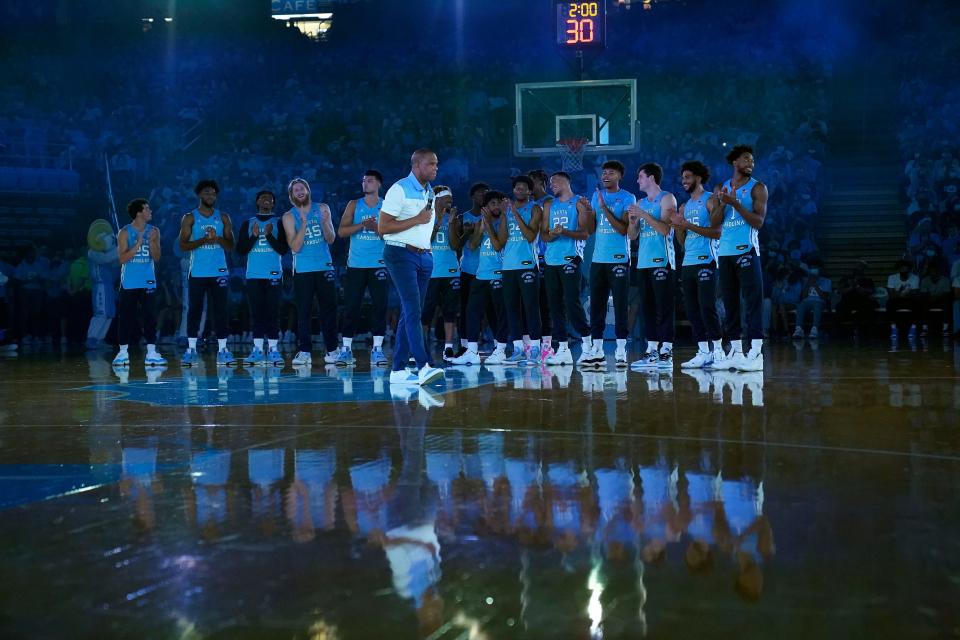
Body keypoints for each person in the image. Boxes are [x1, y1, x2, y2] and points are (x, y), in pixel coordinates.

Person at [377, 148, 445, 386]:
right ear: (416, 165)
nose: (436, 168)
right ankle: (423, 365)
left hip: (424, 256)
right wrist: (416, 219)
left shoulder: (429, 191)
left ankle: (398, 370)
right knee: (413, 310)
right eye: (431, 164)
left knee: (410, 312)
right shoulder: (399, 189)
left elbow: (425, 227)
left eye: (436, 164)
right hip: (400, 253)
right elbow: (382, 227)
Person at [710, 145, 768, 372]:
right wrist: (724, 203)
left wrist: (736, 204)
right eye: (746, 160)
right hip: (725, 253)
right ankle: (735, 351)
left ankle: (756, 353)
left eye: (752, 160)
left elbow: (758, 222)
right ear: (735, 162)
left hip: (746, 250)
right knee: (730, 303)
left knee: (753, 301)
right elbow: (714, 222)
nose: (750, 163)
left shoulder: (758, 188)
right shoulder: (722, 188)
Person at [178, 180, 237, 366]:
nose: (210, 196)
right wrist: (204, 239)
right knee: (194, 310)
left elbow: (230, 246)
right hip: (197, 271)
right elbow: (182, 245)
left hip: (219, 271)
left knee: (221, 310)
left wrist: (217, 238)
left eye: (213, 193)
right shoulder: (190, 217)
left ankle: (223, 349)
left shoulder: (224, 217)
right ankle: (191, 349)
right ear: (199, 195)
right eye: (206, 193)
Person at [283, 177, 340, 367]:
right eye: (295, 190)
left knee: (329, 310)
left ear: (308, 190)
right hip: (303, 270)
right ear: (291, 196)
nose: (299, 192)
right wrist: (304, 224)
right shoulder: (289, 217)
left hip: (324, 267)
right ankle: (305, 351)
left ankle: (332, 350)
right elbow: (295, 247)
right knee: (304, 312)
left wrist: (324, 223)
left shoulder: (323, 208)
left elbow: (331, 239)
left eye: (302, 188)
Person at [671, 161, 723, 368]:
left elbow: (717, 233)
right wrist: (678, 227)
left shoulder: (710, 200)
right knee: (691, 309)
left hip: (707, 261)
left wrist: (687, 225)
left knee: (707, 306)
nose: (684, 181)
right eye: (683, 178)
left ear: (698, 178)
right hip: (688, 262)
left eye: (688, 177)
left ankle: (718, 352)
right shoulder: (684, 206)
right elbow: (683, 241)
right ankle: (703, 352)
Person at [450, 190, 510, 365]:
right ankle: (472, 351)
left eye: (499, 203)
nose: (496, 206)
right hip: (481, 274)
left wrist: (489, 225)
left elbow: (499, 245)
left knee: (499, 314)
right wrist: (480, 228)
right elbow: (473, 245)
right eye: (492, 203)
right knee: (472, 312)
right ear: (485, 207)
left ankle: (500, 350)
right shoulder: (480, 223)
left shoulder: (504, 222)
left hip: (498, 273)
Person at [627, 163, 678, 370]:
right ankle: (652, 350)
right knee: (647, 307)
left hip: (662, 260)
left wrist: (643, 214)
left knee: (663, 306)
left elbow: (666, 230)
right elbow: (632, 236)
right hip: (644, 262)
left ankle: (666, 351)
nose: (638, 180)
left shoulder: (667, 198)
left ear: (651, 178)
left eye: (641, 176)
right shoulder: (640, 202)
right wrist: (632, 222)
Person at [539, 171, 593, 366]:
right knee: (555, 307)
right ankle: (563, 349)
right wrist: (552, 235)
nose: (551, 186)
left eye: (554, 183)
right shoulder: (548, 205)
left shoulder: (579, 203)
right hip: (551, 261)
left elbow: (585, 234)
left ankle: (588, 345)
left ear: (565, 182)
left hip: (571, 259)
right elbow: (544, 236)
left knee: (572, 303)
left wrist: (565, 231)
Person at [338, 170, 389, 367]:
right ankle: (346, 350)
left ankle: (377, 349)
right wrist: (361, 225)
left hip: (379, 264)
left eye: (369, 180)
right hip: (356, 265)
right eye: (363, 181)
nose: (365, 183)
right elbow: (342, 231)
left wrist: (376, 228)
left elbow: (393, 236)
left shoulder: (386, 206)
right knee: (351, 307)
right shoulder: (354, 204)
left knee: (380, 306)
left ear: (378, 184)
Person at [588, 160, 637, 368]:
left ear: (620, 176)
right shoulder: (595, 196)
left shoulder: (628, 197)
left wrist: (604, 208)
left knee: (619, 304)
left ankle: (620, 349)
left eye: (611, 173)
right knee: (597, 305)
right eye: (604, 172)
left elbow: (623, 229)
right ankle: (596, 349)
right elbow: (591, 229)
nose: (605, 176)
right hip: (598, 258)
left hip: (618, 258)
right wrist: (587, 212)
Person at [236, 190, 286, 367]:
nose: (267, 201)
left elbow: (283, 249)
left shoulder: (279, 223)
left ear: (273, 204)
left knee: (273, 313)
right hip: (254, 275)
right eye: (263, 198)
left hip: (273, 275)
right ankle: (257, 349)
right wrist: (254, 236)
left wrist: (270, 235)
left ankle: (273, 350)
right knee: (256, 314)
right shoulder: (247, 224)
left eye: (270, 199)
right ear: (257, 201)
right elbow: (240, 250)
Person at [113, 198, 165, 367]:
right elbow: (122, 258)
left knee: (150, 317)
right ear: (138, 213)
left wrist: (150, 242)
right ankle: (122, 354)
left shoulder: (154, 231)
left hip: (148, 281)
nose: (150, 212)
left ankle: (151, 353)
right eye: (147, 209)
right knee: (126, 317)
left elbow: (157, 258)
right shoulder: (124, 232)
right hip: (129, 282)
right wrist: (138, 243)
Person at [500, 176, 543, 365]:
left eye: (523, 188)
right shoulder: (507, 211)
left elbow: (530, 235)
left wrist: (515, 214)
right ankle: (517, 348)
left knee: (531, 307)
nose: (519, 190)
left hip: (527, 264)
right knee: (512, 308)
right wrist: (503, 215)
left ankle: (535, 348)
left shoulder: (534, 208)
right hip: (508, 266)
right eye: (516, 187)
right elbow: (501, 240)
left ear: (529, 191)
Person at [420, 185, 463, 361]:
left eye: (451, 197)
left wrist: (452, 223)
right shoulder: (425, 217)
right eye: (446, 197)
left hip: (450, 270)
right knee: (426, 312)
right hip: (430, 271)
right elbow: (425, 241)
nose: (450, 200)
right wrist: (437, 223)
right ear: (436, 198)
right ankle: (421, 346)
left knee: (450, 310)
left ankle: (448, 348)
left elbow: (455, 245)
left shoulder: (452, 218)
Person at [456, 182, 490, 355]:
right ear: (472, 196)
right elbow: (456, 246)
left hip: (490, 269)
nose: (483, 195)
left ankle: (497, 344)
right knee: (466, 309)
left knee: (491, 309)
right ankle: (465, 345)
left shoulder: (495, 217)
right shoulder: (463, 217)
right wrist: (467, 233)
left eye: (486, 193)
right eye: (479, 193)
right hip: (469, 270)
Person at [528, 169, 555, 362]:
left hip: (547, 258)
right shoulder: (525, 204)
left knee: (546, 303)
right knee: (530, 304)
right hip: (529, 259)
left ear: (542, 182)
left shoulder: (550, 202)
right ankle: (531, 346)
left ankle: (548, 345)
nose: (529, 187)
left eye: (532, 183)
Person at [793, 260, 831, 339]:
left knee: (817, 305)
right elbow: (803, 296)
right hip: (806, 301)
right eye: (812, 268)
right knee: (800, 304)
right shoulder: (805, 281)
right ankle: (798, 329)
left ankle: (814, 329)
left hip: (819, 302)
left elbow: (824, 297)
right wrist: (808, 283)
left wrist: (815, 285)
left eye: (815, 269)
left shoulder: (826, 281)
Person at [886, 259, 920, 340]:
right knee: (889, 304)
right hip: (896, 300)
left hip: (910, 300)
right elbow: (891, 295)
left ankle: (913, 328)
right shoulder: (892, 277)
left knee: (918, 304)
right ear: (899, 269)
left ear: (909, 269)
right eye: (902, 269)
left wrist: (898, 293)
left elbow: (914, 293)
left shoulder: (915, 278)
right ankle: (894, 329)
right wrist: (902, 292)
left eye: (906, 269)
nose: (904, 271)